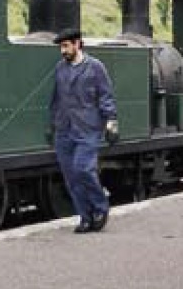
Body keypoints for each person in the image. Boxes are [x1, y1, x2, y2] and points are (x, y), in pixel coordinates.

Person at [49, 28, 119, 233]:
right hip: (64, 129)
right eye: (61, 47)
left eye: (66, 46)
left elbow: (106, 96)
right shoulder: (60, 68)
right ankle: (85, 217)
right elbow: (56, 98)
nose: (63, 51)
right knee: (71, 176)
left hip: (87, 128)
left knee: (83, 169)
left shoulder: (95, 67)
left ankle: (100, 207)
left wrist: (111, 122)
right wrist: (51, 124)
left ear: (77, 44)